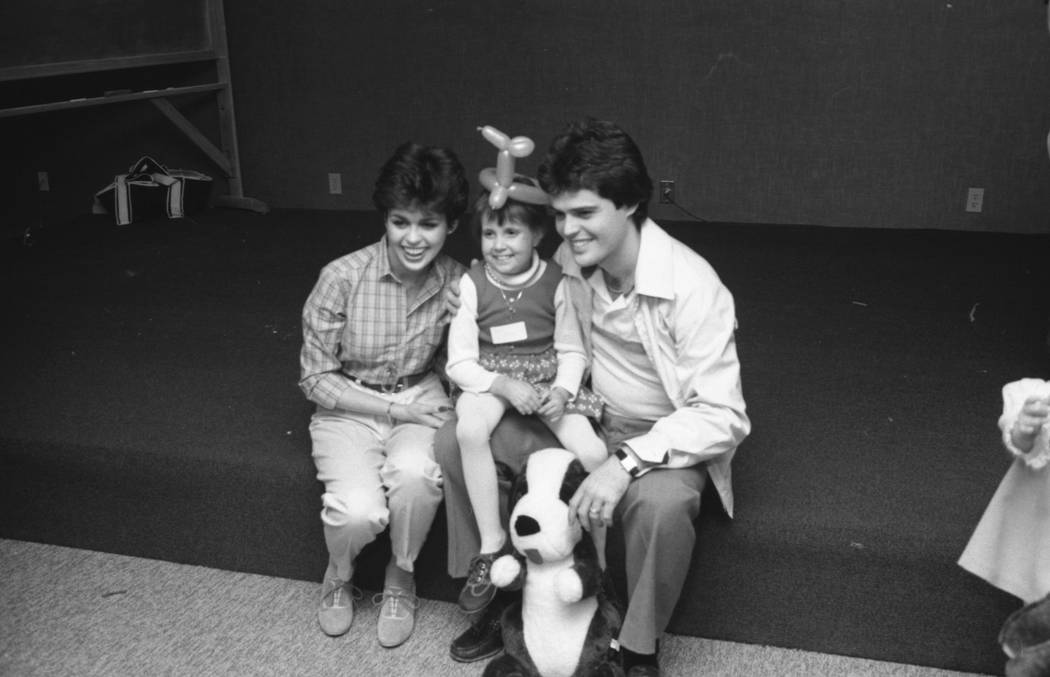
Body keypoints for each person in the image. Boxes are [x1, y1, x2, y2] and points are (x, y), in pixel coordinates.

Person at [435, 118, 750, 677]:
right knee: (454, 439)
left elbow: (723, 415)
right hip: (581, 411)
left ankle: (636, 647)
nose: (568, 230)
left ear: (628, 204)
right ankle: (499, 592)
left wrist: (626, 463)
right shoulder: (566, 261)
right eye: (559, 215)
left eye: (584, 214)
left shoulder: (694, 286)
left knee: (662, 507)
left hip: (659, 434)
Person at [299, 141, 468, 647]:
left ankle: (401, 576)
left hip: (422, 397)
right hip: (348, 405)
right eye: (401, 222)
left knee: (417, 477)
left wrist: (469, 323)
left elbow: (461, 370)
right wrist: (394, 408)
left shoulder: (458, 281)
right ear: (386, 219)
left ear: (451, 226)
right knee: (357, 511)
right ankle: (339, 575)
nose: (413, 239)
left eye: (429, 224)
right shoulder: (342, 277)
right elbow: (315, 378)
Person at [447, 171, 608, 614]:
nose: (498, 244)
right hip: (491, 374)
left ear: (537, 233)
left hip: (546, 373)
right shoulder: (471, 283)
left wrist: (561, 390)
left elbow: (572, 349)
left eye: (512, 232)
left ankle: (597, 558)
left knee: (593, 453)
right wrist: (500, 385)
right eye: (489, 233)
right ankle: (491, 544)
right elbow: (459, 362)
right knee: (469, 430)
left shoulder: (557, 282)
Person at [959, 378, 1050, 676]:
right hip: (1043, 535)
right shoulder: (1033, 394)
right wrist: (1025, 428)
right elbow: (1019, 439)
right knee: (1039, 614)